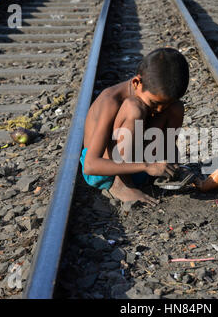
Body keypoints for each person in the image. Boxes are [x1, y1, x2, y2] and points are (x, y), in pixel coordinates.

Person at [81, 47, 189, 206]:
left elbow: (163, 116)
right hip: (105, 172)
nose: (159, 110)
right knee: (134, 108)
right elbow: (90, 166)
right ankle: (122, 184)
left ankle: (166, 170)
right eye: (154, 103)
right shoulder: (110, 100)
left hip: (141, 167)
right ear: (136, 82)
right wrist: (146, 166)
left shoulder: (156, 101)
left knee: (176, 107)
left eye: (163, 106)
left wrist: (168, 164)